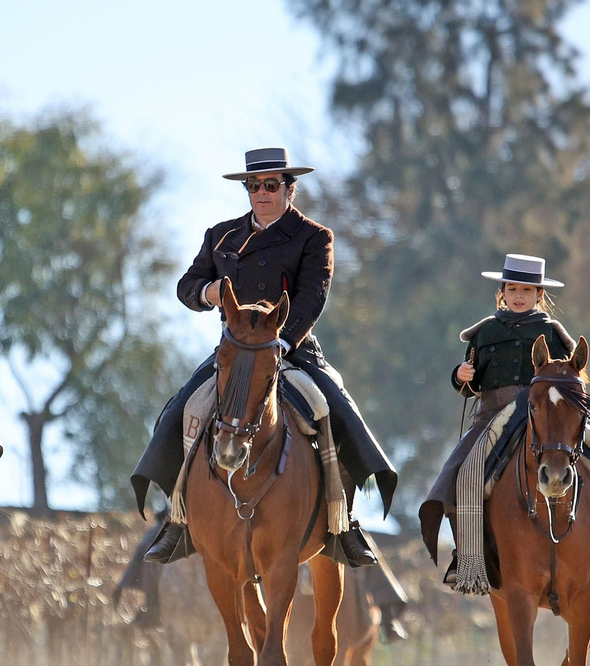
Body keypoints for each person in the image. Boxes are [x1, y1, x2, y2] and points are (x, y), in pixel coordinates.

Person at [133, 148, 396, 567]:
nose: (261, 193)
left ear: (289, 189)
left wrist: (282, 343)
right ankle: (177, 519)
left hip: (293, 348)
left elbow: (312, 298)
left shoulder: (314, 237)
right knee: (179, 411)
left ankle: (344, 522)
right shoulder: (221, 235)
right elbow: (187, 285)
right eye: (253, 185)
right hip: (234, 350)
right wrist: (209, 292)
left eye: (271, 185)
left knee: (335, 410)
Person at [418, 254, 590, 572]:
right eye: (512, 289)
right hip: (493, 415)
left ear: (539, 294)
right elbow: (471, 385)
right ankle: (466, 554)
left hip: (547, 412)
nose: (518, 295)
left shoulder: (552, 332)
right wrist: (461, 376)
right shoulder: (484, 333)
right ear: (502, 292)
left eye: (526, 290)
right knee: (462, 471)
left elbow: (570, 375)